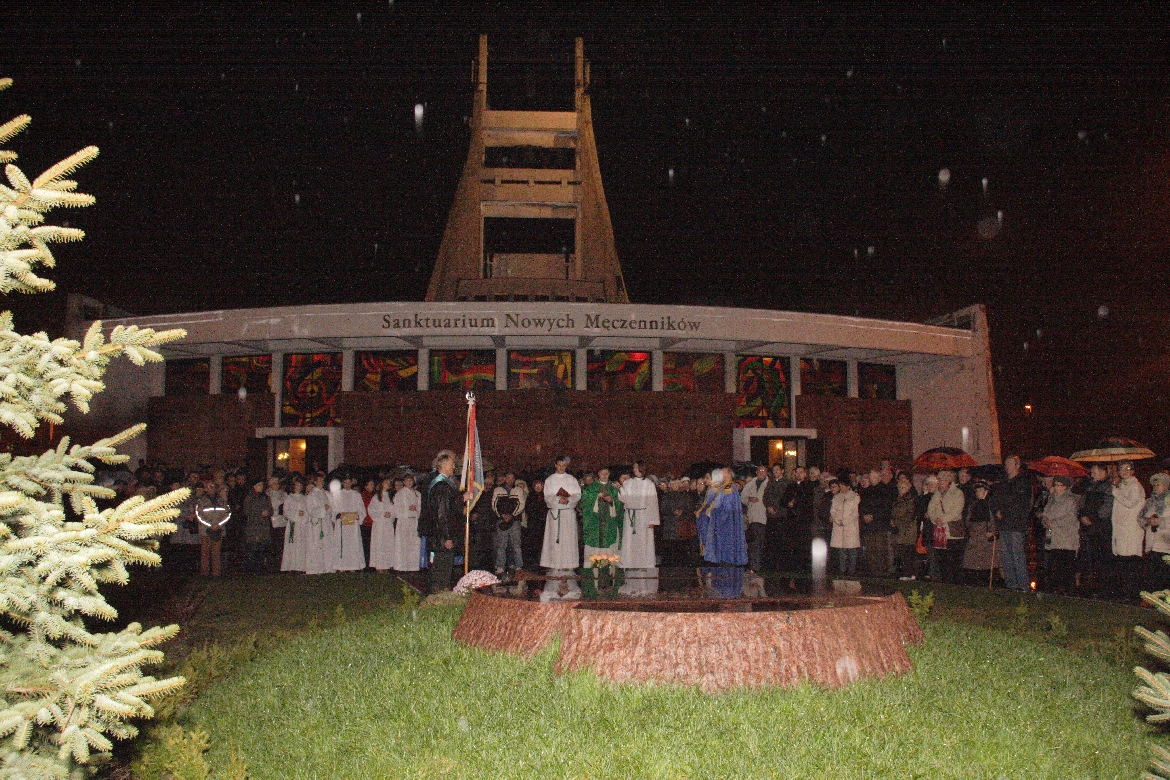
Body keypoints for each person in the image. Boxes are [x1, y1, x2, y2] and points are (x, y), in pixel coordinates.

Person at [423, 451, 467, 594]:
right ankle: (439, 596)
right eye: (452, 464)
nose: (454, 467)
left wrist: (461, 498)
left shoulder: (442, 484)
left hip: (440, 534)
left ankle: (440, 594)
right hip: (442, 535)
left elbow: (449, 505)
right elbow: (442, 513)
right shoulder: (441, 485)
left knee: (443, 567)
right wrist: (447, 536)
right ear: (444, 465)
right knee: (442, 568)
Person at [989, 456, 1033, 591]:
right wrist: (997, 511)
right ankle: (1011, 585)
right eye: (1006, 463)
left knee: (1017, 555)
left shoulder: (1023, 483)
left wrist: (1005, 512)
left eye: (1010, 463)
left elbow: (1021, 504)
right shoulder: (1003, 483)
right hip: (1004, 525)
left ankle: (1023, 586)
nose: (1007, 466)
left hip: (1016, 525)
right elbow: (994, 500)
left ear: (1017, 465)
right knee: (1006, 556)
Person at [696, 468, 748, 566]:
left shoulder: (728, 488)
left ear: (728, 474)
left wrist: (712, 513)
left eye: (722, 472)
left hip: (726, 526)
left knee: (725, 555)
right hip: (726, 524)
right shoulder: (725, 487)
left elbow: (726, 509)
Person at [1111, 460, 1147, 599]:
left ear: (1132, 471)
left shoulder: (1135, 486)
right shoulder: (1122, 485)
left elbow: (1130, 503)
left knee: (1131, 560)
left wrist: (1116, 492)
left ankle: (1132, 593)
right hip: (1121, 528)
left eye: (1127, 469)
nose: (1124, 472)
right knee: (1122, 559)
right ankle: (1124, 591)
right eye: (1122, 469)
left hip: (1131, 528)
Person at [540, 456, 582, 572]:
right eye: (559, 465)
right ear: (555, 465)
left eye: (564, 465)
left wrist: (568, 499)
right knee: (554, 539)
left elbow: (577, 494)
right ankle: (554, 564)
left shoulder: (572, 479)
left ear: (566, 466)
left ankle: (568, 564)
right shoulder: (550, 480)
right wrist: (559, 499)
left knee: (568, 539)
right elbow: (547, 496)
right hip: (555, 514)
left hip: (568, 513)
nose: (561, 467)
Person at [1039, 475, 1080, 593]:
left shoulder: (1070, 500)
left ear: (1065, 487)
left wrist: (1053, 523)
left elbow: (1070, 518)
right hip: (1053, 537)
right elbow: (1045, 514)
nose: (1057, 488)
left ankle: (1069, 590)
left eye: (1059, 485)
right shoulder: (1052, 500)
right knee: (1054, 565)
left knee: (1066, 566)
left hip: (1066, 538)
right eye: (1055, 485)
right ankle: (1056, 589)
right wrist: (1045, 521)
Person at [1078, 463, 1113, 594]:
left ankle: (1102, 587)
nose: (1092, 475)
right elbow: (1081, 504)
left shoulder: (1109, 488)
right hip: (1087, 529)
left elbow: (1107, 509)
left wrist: (1092, 518)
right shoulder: (1089, 487)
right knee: (1087, 558)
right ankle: (1088, 586)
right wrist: (1082, 515)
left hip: (1101, 529)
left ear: (1103, 472)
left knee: (1101, 559)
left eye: (1094, 472)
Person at [618, 461, 659, 571]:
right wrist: (620, 488)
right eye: (634, 467)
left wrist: (652, 520)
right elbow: (624, 498)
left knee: (643, 540)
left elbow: (653, 502)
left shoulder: (649, 484)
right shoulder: (628, 483)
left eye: (636, 467)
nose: (634, 469)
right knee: (629, 540)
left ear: (642, 468)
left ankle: (644, 564)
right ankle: (629, 563)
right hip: (630, 515)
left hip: (643, 515)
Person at [927, 470, 966, 582]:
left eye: (942, 480)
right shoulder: (937, 494)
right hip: (940, 531)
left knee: (953, 559)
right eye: (939, 480)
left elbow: (956, 510)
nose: (940, 483)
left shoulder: (957, 493)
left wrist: (943, 519)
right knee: (942, 559)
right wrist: (935, 519)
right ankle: (945, 581)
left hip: (953, 532)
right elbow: (931, 508)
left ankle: (955, 583)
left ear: (949, 481)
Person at [580, 466, 622, 563]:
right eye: (602, 473)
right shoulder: (591, 487)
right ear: (598, 474)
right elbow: (584, 500)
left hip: (609, 522)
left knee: (608, 542)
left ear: (609, 474)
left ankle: (609, 566)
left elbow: (620, 503)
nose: (604, 476)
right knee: (594, 542)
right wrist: (595, 496)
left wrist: (612, 501)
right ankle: (593, 566)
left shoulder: (613, 488)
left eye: (606, 473)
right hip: (595, 521)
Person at [962, 480, 999, 584]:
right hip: (975, 534)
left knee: (986, 559)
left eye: (981, 490)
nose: (979, 493)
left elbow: (994, 519)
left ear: (986, 491)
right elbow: (968, 519)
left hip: (986, 534)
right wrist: (969, 529)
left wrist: (992, 531)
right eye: (977, 491)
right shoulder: (973, 505)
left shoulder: (990, 504)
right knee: (973, 559)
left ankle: (986, 581)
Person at [859, 467, 895, 576]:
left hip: (879, 525)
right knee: (871, 549)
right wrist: (865, 515)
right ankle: (873, 570)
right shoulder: (867, 491)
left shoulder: (884, 490)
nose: (871, 479)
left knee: (880, 550)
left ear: (879, 478)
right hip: (869, 525)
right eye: (870, 478)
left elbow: (885, 508)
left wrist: (873, 516)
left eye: (874, 477)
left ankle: (882, 571)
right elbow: (862, 506)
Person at [491, 471, 527, 575]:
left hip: (515, 521)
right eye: (508, 478)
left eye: (512, 478)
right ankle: (500, 566)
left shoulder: (518, 490)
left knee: (516, 545)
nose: (509, 480)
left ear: (514, 479)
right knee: (501, 545)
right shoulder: (498, 490)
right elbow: (494, 504)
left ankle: (519, 566)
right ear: (505, 478)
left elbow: (521, 504)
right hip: (502, 520)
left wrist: (512, 515)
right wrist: (502, 515)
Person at [331, 477, 368, 573]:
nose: (347, 485)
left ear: (351, 483)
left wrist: (358, 516)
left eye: (349, 482)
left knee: (353, 544)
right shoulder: (337, 495)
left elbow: (361, 509)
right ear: (342, 483)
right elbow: (334, 509)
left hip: (353, 524)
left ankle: (353, 565)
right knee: (342, 544)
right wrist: (338, 515)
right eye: (345, 482)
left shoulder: (356, 495)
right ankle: (341, 566)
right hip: (342, 523)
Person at [195, 482, 231, 578]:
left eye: (213, 486)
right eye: (209, 487)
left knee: (216, 552)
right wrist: (210, 525)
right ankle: (204, 573)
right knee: (205, 553)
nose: (211, 488)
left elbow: (227, 514)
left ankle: (216, 573)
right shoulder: (201, 501)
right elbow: (199, 516)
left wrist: (218, 525)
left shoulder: (222, 501)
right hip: (205, 531)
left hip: (218, 530)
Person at [1142, 473, 1170, 592]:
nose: (1155, 488)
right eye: (1154, 485)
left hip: (1165, 544)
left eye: (1158, 485)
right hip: (1152, 543)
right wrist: (1148, 521)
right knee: (1153, 576)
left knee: (1165, 576)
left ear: (1166, 486)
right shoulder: (1149, 502)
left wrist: (1161, 521)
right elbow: (1140, 518)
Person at [740, 464, 770, 572]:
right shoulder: (751, 484)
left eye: (763, 471)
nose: (761, 473)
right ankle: (755, 566)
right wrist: (749, 499)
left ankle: (760, 565)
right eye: (759, 471)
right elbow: (743, 497)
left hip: (764, 517)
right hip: (753, 518)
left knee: (761, 542)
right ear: (756, 472)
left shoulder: (769, 484)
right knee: (754, 543)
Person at [891, 472, 920, 580]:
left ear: (908, 488)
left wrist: (896, 522)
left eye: (903, 487)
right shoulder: (898, 499)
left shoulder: (910, 499)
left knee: (908, 552)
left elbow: (909, 515)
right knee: (902, 552)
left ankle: (909, 574)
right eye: (899, 487)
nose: (900, 489)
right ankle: (905, 573)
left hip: (908, 530)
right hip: (900, 530)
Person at [392, 474, 423, 572]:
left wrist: (416, 508)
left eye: (411, 480)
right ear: (404, 482)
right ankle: (401, 566)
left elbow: (421, 506)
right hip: (404, 521)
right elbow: (396, 508)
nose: (409, 482)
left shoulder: (417, 493)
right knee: (403, 544)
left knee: (413, 544)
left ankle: (412, 566)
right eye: (407, 480)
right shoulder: (400, 493)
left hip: (414, 521)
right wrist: (407, 509)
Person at [830, 478, 860, 574]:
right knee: (841, 549)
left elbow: (855, 513)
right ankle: (842, 570)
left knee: (851, 549)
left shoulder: (854, 497)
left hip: (850, 526)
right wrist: (838, 520)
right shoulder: (836, 497)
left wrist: (845, 521)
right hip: (838, 526)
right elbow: (833, 511)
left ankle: (852, 570)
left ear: (848, 486)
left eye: (843, 485)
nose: (841, 487)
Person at [303, 473, 332, 575]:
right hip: (316, 524)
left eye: (322, 480)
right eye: (319, 480)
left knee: (326, 544)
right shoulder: (312, 495)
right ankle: (315, 568)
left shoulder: (325, 494)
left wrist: (328, 510)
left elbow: (330, 507)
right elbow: (310, 510)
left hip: (325, 522)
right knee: (316, 544)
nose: (322, 482)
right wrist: (323, 509)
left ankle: (327, 566)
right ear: (315, 482)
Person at [762, 464, 789, 571]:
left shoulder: (787, 483)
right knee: (771, 541)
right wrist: (769, 506)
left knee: (781, 541)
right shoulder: (770, 483)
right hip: (771, 516)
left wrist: (776, 507)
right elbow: (765, 497)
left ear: (782, 471)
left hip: (781, 516)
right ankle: (771, 565)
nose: (775, 472)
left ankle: (781, 565)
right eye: (774, 470)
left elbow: (785, 497)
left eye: (777, 470)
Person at [243, 479, 272, 574]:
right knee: (253, 549)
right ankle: (252, 569)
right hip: (254, 527)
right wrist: (259, 513)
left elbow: (271, 510)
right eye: (259, 485)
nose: (261, 487)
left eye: (262, 485)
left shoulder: (266, 497)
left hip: (264, 528)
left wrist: (268, 512)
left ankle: (260, 568)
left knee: (262, 549)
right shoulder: (250, 498)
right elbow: (247, 511)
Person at [367, 476, 397, 571]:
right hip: (379, 524)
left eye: (389, 483)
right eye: (386, 482)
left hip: (388, 524)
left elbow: (395, 509)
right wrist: (382, 514)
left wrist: (391, 514)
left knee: (388, 544)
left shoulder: (391, 497)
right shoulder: (376, 497)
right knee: (379, 544)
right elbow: (371, 510)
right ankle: (379, 565)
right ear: (382, 484)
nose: (388, 484)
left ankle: (387, 565)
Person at [281, 475, 308, 572]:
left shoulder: (304, 498)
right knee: (292, 544)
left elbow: (307, 510)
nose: (299, 487)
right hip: (293, 524)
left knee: (301, 544)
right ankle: (291, 566)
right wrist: (296, 514)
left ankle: (301, 566)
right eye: (297, 485)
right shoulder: (289, 498)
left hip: (302, 524)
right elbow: (286, 511)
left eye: (301, 485)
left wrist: (304, 515)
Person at [267, 476, 287, 570]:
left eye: (277, 483)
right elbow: (273, 505)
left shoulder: (282, 493)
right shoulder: (268, 494)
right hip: (273, 521)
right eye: (274, 483)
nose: (277, 485)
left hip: (282, 521)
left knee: (281, 543)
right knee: (274, 544)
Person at [360, 477, 377, 570]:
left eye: (373, 484)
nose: (372, 486)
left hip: (374, 523)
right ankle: (366, 564)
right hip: (366, 523)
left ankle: (372, 564)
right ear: (366, 486)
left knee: (373, 545)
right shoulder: (363, 495)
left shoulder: (375, 495)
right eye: (370, 484)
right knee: (366, 545)